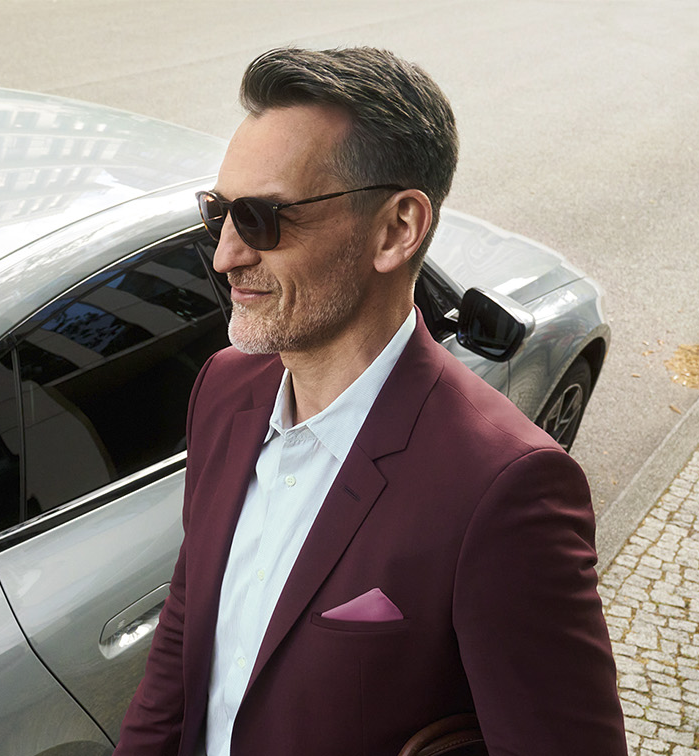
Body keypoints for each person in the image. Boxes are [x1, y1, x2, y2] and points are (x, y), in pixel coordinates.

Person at [113, 47, 626, 755]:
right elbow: (185, 626)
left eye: (260, 219)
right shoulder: (223, 388)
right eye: (219, 212)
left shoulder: (506, 490)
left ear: (395, 230)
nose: (225, 255)